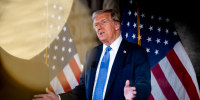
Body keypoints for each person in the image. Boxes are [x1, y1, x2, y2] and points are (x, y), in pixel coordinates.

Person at [33, 9, 151, 100]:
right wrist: (59, 98)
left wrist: (134, 93)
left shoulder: (136, 52)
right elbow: (84, 89)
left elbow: (144, 85)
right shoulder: (92, 54)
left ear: (116, 25)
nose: (99, 27)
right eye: (96, 25)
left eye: (103, 22)